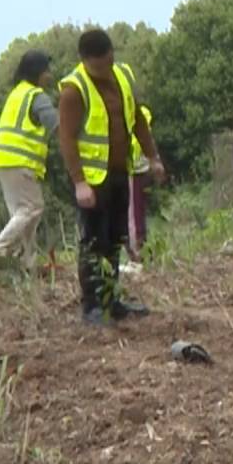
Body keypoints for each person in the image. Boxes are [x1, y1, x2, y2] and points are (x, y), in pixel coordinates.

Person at [57, 28, 163, 325]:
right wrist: (79, 182)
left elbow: (138, 119)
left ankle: (112, 299)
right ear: (84, 61)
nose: (103, 70)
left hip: (119, 172)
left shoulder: (122, 76)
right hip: (92, 181)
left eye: (107, 62)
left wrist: (152, 156)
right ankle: (92, 305)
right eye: (97, 66)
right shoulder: (73, 90)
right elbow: (66, 138)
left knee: (116, 238)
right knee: (94, 242)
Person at [0, 50, 58, 266]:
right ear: (38, 72)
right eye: (47, 70)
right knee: (31, 208)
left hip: (3, 159)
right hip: (19, 160)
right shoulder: (37, 96)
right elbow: (55, 124)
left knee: (23, 213)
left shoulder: (18, 93)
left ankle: (28, 261)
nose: (50, 75)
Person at [124, 101, 155, 274]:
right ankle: (139, 254)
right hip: (140, 172)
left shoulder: (131, 121)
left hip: (133, 173)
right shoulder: (143, 116)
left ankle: (137, 257)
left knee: (134, 218)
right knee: (137, 216)